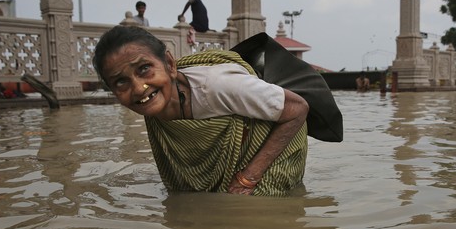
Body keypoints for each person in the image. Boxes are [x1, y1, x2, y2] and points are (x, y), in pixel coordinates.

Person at [93, 26, 309, 196]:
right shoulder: (155, 105)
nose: (139, 88)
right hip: (237, 148)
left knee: (247, 214)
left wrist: (249, 177)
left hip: (276, 141)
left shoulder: (218, 86)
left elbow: (298, 108)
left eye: (144, 69)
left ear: (169, 64)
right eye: (121, 82)